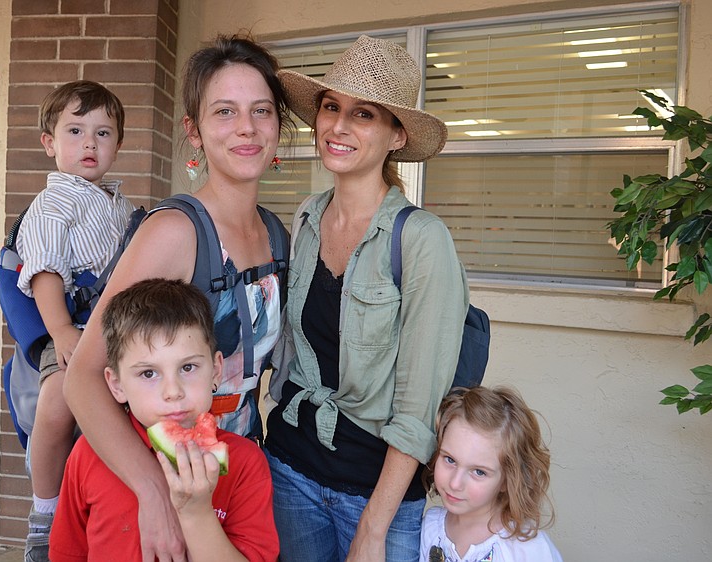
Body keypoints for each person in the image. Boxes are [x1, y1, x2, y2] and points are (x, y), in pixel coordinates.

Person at [63, 34, 292, 561]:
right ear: (194, 131)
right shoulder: (176, 230)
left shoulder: (276, 235)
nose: (247, 127)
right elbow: (83, 378)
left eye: (261, 110)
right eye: (224, 111)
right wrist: (152, 493)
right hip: (152, 475)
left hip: (234, 474)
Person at [264, 35, 469, 562]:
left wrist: (374, 528)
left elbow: (420, 402)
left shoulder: (420, 238)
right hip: (289, 468)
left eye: (363, 114)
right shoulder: (307, 218)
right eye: (331, 107)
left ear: (397, 135)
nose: (338, 126)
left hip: (376, 493)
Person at [49, 279, 279, 562]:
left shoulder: (245, 463)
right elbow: (67, 553)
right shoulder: (88, 454)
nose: (173, 391)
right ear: (116, 385)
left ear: (216, 370)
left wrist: (196, 513)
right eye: (148, 373)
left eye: (188, 367)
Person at [15, 80, 134, 562]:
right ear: (49, 143)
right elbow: (45, 271)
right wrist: (62, 331)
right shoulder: (54, 202)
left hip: (116, 332)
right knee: (59, 399)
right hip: (69, 323)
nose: (90, 143)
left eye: (103, 133)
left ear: (117, 145)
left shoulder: (120, 204)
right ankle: (43, 513)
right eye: (76, 131)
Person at [419, 386, 562, 561]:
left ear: (507, 480)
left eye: (479, 472)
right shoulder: (430, 528)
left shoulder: (528, 549)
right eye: (450, 459)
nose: (455, 483)